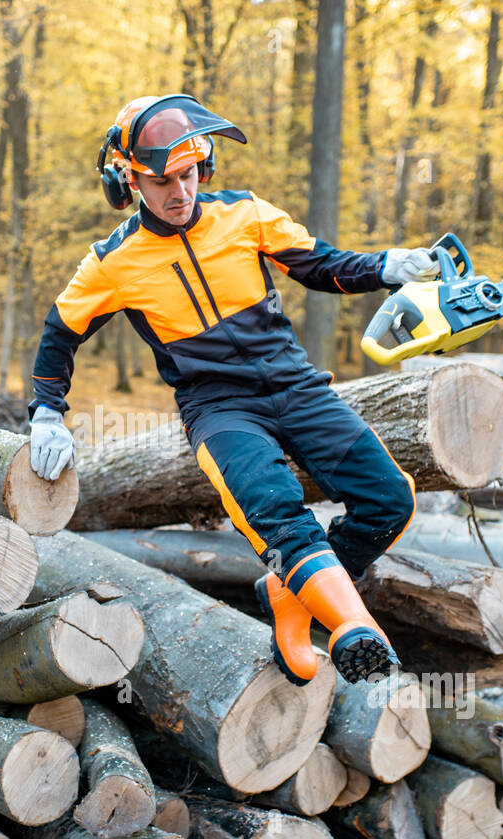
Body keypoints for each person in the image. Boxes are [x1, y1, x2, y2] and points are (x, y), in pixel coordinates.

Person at [27, 94, 437, 685]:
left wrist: (390, 266)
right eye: (161, 180)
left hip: (298, 387)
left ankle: (290, 592)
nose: (179, 192)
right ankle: (353, 625)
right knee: (277, 516)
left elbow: (320, 265)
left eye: (189, 173)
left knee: (390, 499)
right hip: (221, 411)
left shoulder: (245, 214)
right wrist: (47, 413)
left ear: (206, 164)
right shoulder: (113, 262)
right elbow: (57, 337)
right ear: (127, 182)